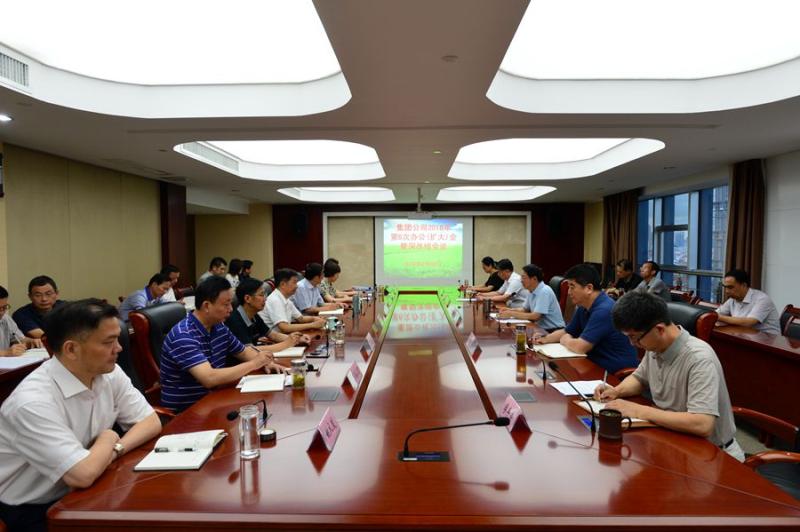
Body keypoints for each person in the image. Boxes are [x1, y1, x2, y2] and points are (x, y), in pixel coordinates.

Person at [0, 299, 161, 531]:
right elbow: (81, 475)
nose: (119, 348)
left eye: (118, 338)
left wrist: (115, 448)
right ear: (71, 349)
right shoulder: (31, 403)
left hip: (95, 480)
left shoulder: (108, 372)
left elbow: (150, 421)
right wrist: (108, 437)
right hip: (36, 507)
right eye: (108, 342)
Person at [594, 291, 744, 461]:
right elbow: (639, 379)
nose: (632, 344)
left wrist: (638, 410)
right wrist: (616, 391)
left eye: (634, 338)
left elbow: (702, 423)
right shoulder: (655, 346)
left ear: (659, 329)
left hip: (712, 455)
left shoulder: (699, 359)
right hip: (672, 441)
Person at [159, 276, 286, 412]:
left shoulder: (219, 326)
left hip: (214, 399)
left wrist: (266, 363)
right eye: (226, 304)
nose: (231, 309)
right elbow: (209, 378)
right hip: (187, 411)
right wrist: (255, 363)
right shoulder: (183, 335)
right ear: (207, 306)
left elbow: (243, 352)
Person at [535, 264, 639, 374]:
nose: (569, 292)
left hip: (614, 371)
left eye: (572, 287)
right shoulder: (583, 306)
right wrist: (544, 339)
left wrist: (565, 340)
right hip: (592, 362)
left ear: (589, 288)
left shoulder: (604, 310)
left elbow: (580, 347)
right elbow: (566, 331)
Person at [225, 277, 308, 348]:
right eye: (261, 295)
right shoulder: (235, 320)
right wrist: (286, 344)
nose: (265, 299)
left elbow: (273, 335)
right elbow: (250, 350)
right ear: (247, 298)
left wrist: (296, 339)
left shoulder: (254, 315)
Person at [498, 264, 565, 332]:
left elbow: (536, 316)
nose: (521, 280)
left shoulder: (544, 291)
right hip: (539, 328)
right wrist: (509, 310)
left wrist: (511, 314)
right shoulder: (531, 290)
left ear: (534, 279)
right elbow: (524, 309)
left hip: (553, 330)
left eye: (524, 277)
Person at [260, 268, 326, 334]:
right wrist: (312, 325)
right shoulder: (275, 300)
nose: (297, 286)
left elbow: (301, 318)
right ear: (283, 284)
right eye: (294, 282)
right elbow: (285, 327)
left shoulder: (286, 299)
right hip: (272, 338)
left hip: (283, 335)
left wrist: (315, 319)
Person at [717, 269, 780, 334]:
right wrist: (715, 316)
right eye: (725, 287)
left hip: (767, 338)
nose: (727, 291)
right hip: (744, 335)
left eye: (730, 287)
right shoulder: (732, 299)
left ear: (744, 285)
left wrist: (719, 317)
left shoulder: (762, 299)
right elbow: (717, 314)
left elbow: (749, 322)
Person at [0, 286, 42, 356]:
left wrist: (31, 341)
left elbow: (20, 339)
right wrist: (5, 353)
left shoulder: (6, 318)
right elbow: (6, 353)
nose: (1, 313)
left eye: (4, 307)